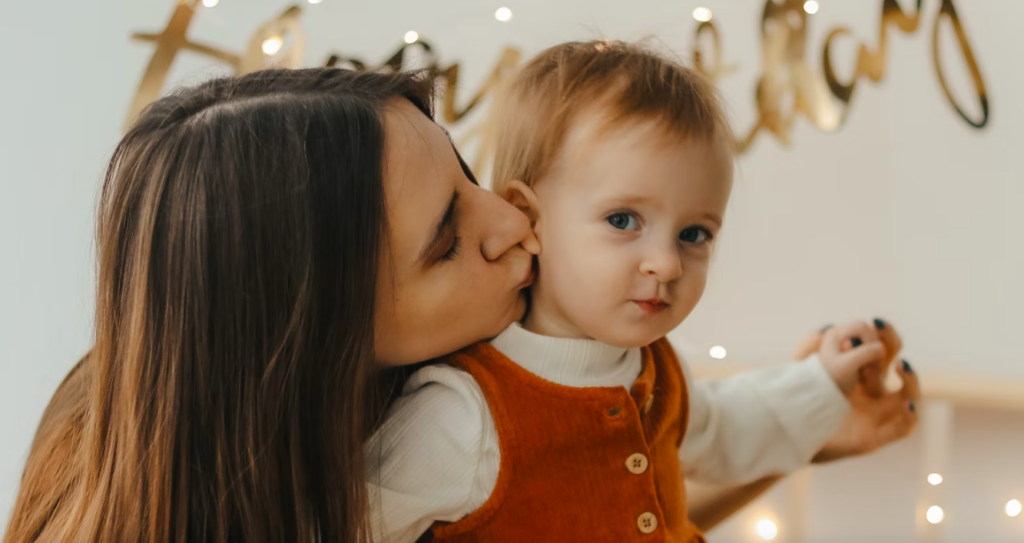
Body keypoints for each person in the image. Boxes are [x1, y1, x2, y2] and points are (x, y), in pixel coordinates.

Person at [3, 66, 918, 543]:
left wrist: (815, 413)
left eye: (469, 172)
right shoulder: (430, 437)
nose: (513, 216)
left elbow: (627, 477)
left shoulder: (585, 356)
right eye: (447, 237)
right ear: (317, 339)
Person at [365, 41, 918, 543]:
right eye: (624, 220)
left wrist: (820, 382)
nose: (667, 263)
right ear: (530, 217)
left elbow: (725, 428)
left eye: (694, 234)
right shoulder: (463, 412)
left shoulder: (655, 368)